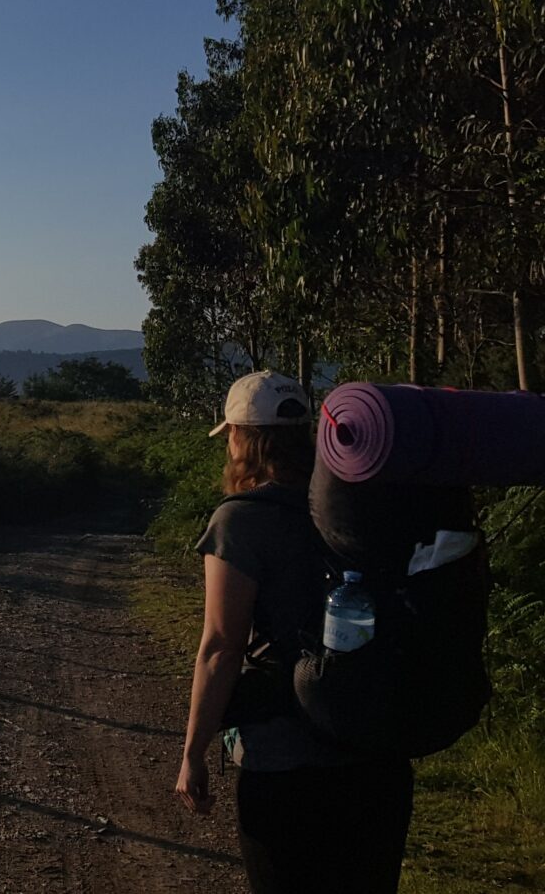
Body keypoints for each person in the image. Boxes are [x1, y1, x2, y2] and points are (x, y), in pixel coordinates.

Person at [173, 370, 414, 894]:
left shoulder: (240, 520)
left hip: (286, 761)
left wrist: (193, 754)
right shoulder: (365, 504)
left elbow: (221, 646)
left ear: (241, 438)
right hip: (377, 752)